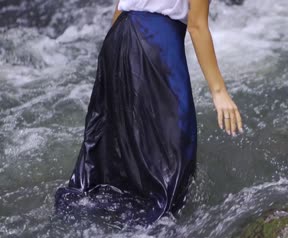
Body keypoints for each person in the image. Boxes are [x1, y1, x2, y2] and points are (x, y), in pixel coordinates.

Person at [54, 0, 243, 224]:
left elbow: (120, 6)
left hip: (118, 38)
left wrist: (112, 61)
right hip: (156, 45)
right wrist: (218, 91)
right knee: (174, 150)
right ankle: (155, 235)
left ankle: (105, 221)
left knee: (118, 144)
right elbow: (197, 26)